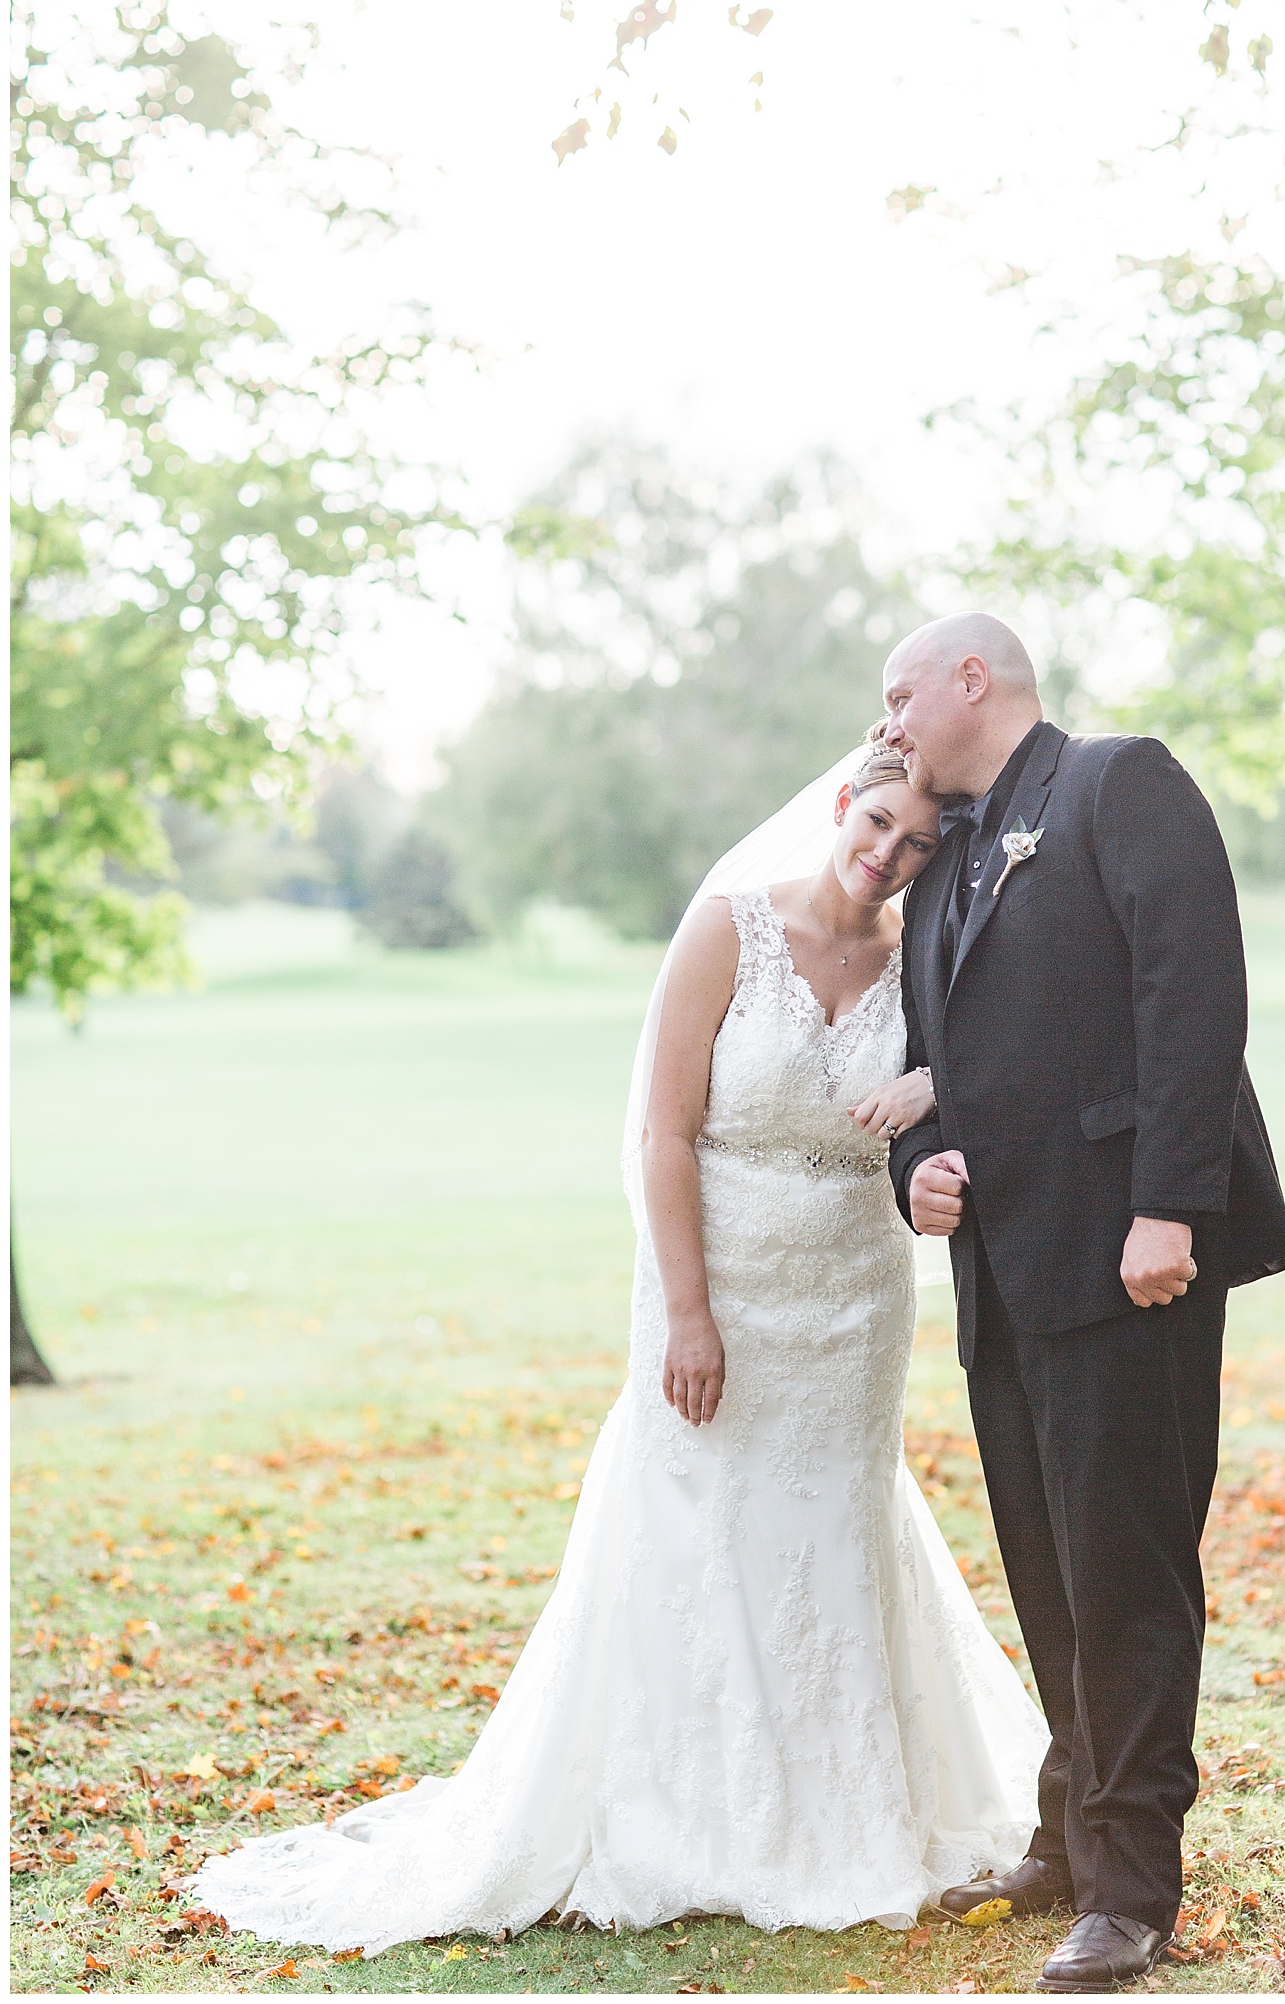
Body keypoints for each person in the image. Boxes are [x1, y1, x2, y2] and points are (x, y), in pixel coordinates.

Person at [190, 737, 1048, 1955]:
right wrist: (688, 1311)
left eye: (916, 844)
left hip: (855, 1295)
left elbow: (983, 1075)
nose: (887, 855)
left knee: (828, 1527)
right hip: (720, 1280)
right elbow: (661, 1131)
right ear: (841, 805)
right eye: (876, 826)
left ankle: (838, 1808)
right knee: (696, 1518)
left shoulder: (922, 953)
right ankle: (687, 1805)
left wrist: (924, 1103)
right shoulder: (728, 929)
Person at [881, 612, 1285, 1996]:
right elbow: (926, 1065)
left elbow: (1195, 991)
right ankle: (1070, 1833)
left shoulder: (1118, 781)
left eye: (900, 694)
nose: (888, 724)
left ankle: (1130, 1890)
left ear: (972, 678)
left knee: (1126, 1577)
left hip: (1130, 1256)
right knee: (1051, 1574)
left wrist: (1170, 1202)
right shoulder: (939, 869)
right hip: (1004, 1270)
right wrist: (915, 1169)